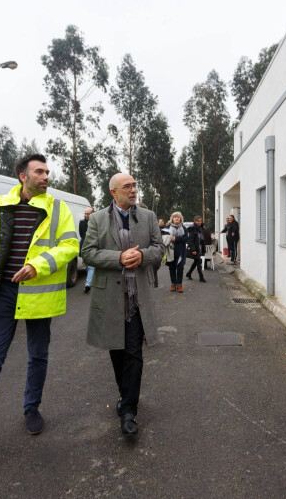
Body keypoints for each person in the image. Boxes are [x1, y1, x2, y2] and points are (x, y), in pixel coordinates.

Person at [0, 154, 79, 470]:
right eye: (39, 171)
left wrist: (37, 265)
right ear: (23, 176)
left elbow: (70, 246)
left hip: (37, 293)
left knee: (38, 355)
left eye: (47, 171)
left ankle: (31, 408)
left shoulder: (58, 209)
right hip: (2, 293)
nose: (46, 175)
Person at [81, 173, 164, 437]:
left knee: (134, 352)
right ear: (113, 193)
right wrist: (119, 257)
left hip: (137, 297)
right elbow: (88, 253)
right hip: (110, 298)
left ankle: (129, 410)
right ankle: (124, 394)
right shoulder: (97, 219)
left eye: (134, 185)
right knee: (117, 350)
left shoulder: (148, 216)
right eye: (127, 186)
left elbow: (159, 248)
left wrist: (141, 255)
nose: (133, 190)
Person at [166, 212, 188, 292]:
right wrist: (169, 238)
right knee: (171, 268)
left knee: (180, 268)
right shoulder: (167, 227)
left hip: (180, 252)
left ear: (180, 219)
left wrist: (176, 239)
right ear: (172, 218)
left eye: (178, 217)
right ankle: (173, 284)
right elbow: (163, 237)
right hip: (170, 251)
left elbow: (186, 239)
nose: (176, 218)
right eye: (175, 217)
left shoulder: (184, 228)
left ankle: (179, 285)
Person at [185, 215, 207, 282]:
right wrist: (193, 249)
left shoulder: (201, 228)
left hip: (200, 247)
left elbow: (202, 239)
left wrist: (203, 249)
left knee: (196, 261)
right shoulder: (192, 228)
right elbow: (190, 240)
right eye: (198, 221)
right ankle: (201, 277)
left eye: (200, 221)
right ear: (194, 221)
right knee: (198, 262)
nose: (199, 222)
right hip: (195, 248)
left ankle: (189, 273)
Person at [79, 207, 95, 293]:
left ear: (92, 214)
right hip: (83, 246)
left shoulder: (96, 222)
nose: (86, 215)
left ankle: (88, 284)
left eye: (88, 214)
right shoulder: (82, 222)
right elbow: (81, 234)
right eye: (85, 213)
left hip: (93, 246)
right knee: (87, 266)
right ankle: (91, 280)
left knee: (91, 266)